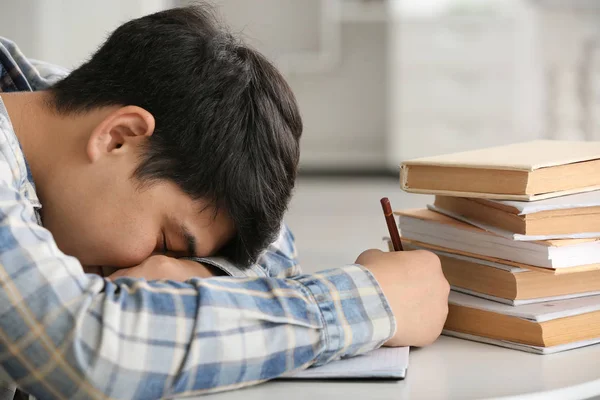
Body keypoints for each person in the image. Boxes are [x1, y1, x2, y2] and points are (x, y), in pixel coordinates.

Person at [0, 4, 449, 399]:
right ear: (120, 137)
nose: (145, 265)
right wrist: (367, 303)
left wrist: (189, 270)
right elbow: (82, 351)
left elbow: (277, 243)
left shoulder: (51, 104)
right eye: (166, 240)